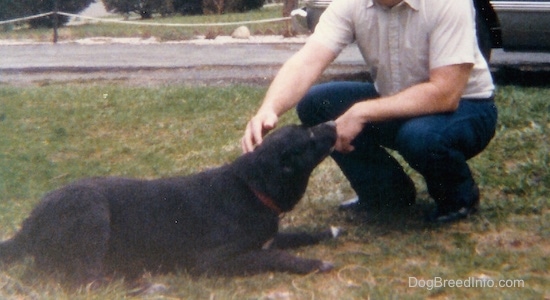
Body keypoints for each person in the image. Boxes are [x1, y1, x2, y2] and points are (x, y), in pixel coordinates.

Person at [241, 0, 498, 223]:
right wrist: (268, 108)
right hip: (396, 102)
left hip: (467, 107)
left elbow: (445, 93)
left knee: (420, 136)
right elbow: (307, 61)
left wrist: (361, 112)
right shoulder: (351, 5)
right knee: (316, 104)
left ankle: (458, 197)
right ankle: (386, 194)